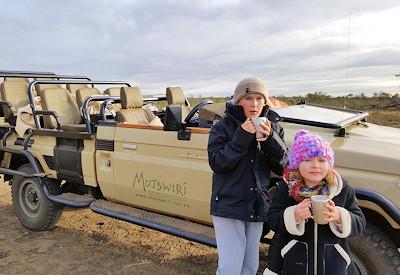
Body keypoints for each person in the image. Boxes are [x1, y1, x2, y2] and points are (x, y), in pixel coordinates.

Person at [208, 77, 288, 275]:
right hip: (229, 205)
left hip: (257, 204)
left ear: (265, 101)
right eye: (248, 98)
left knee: (249, 267)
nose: (254, 104)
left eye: (259, 98)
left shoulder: (274, 127)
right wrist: (242, 136)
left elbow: (284, 167)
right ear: (238, 101)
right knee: (230, 268)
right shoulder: (223, 127)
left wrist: (270, 140)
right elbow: (218, 163)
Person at [264, 130, 366, 275]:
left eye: (322, 160)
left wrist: (339, 216)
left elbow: (360, 223)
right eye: (308, 160)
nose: (315, 165)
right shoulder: (285, 188)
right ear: (297, 163)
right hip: (293, 265)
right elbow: (272, 219)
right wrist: (294, 215)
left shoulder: (341, 189)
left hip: (333, 266)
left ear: (329, 164)